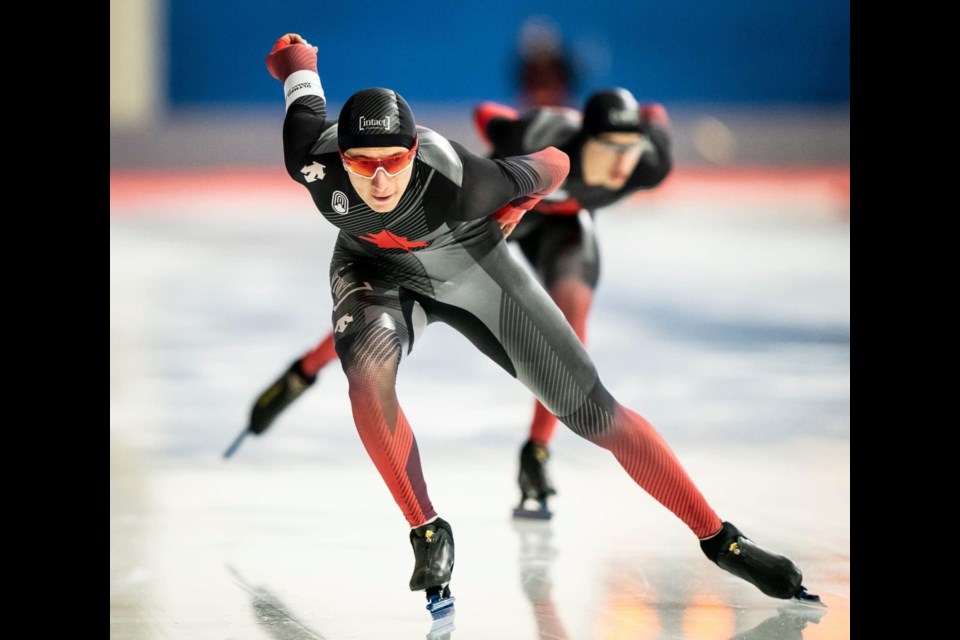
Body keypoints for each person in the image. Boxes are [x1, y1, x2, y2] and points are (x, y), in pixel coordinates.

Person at [255, 32, 820, 617]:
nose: (378, 180)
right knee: (367, 378)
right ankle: (427, 530)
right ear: (338, 158)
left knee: (595, 411)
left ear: (413, 153)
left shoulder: (459, 177)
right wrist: (298, 59)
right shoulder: (311, 162)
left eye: (394, 162)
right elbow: (304, 95)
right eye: (361, 164)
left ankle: (720, 539)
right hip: (374, 271)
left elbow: (555, 164)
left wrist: (518, 207)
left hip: (475, 270)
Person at [237, 86, 676, 522]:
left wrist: (652, 117)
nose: (622, 163)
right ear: (584, 139)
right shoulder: (530, 139)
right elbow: (490, 116)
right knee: (382, 308)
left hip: (562, 223)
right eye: (608, 147)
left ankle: (537, 452)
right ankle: (308, 368)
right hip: (503, 211)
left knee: (571, 317)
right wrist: (512, 191)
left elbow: (654, 118)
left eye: (631, 148)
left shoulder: (649, 165)